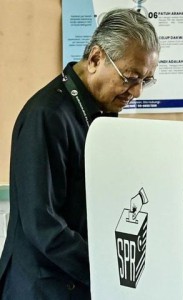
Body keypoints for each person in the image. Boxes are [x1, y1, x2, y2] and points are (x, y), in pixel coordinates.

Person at [0, 8, 160, 299]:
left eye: (145, 81)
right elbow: (43, 225)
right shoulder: (47, 115)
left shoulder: (99, 109)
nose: (136, 92)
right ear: (96, 58)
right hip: (42, 287)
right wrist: (109, 270)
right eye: (130, 77)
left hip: (78, 280)